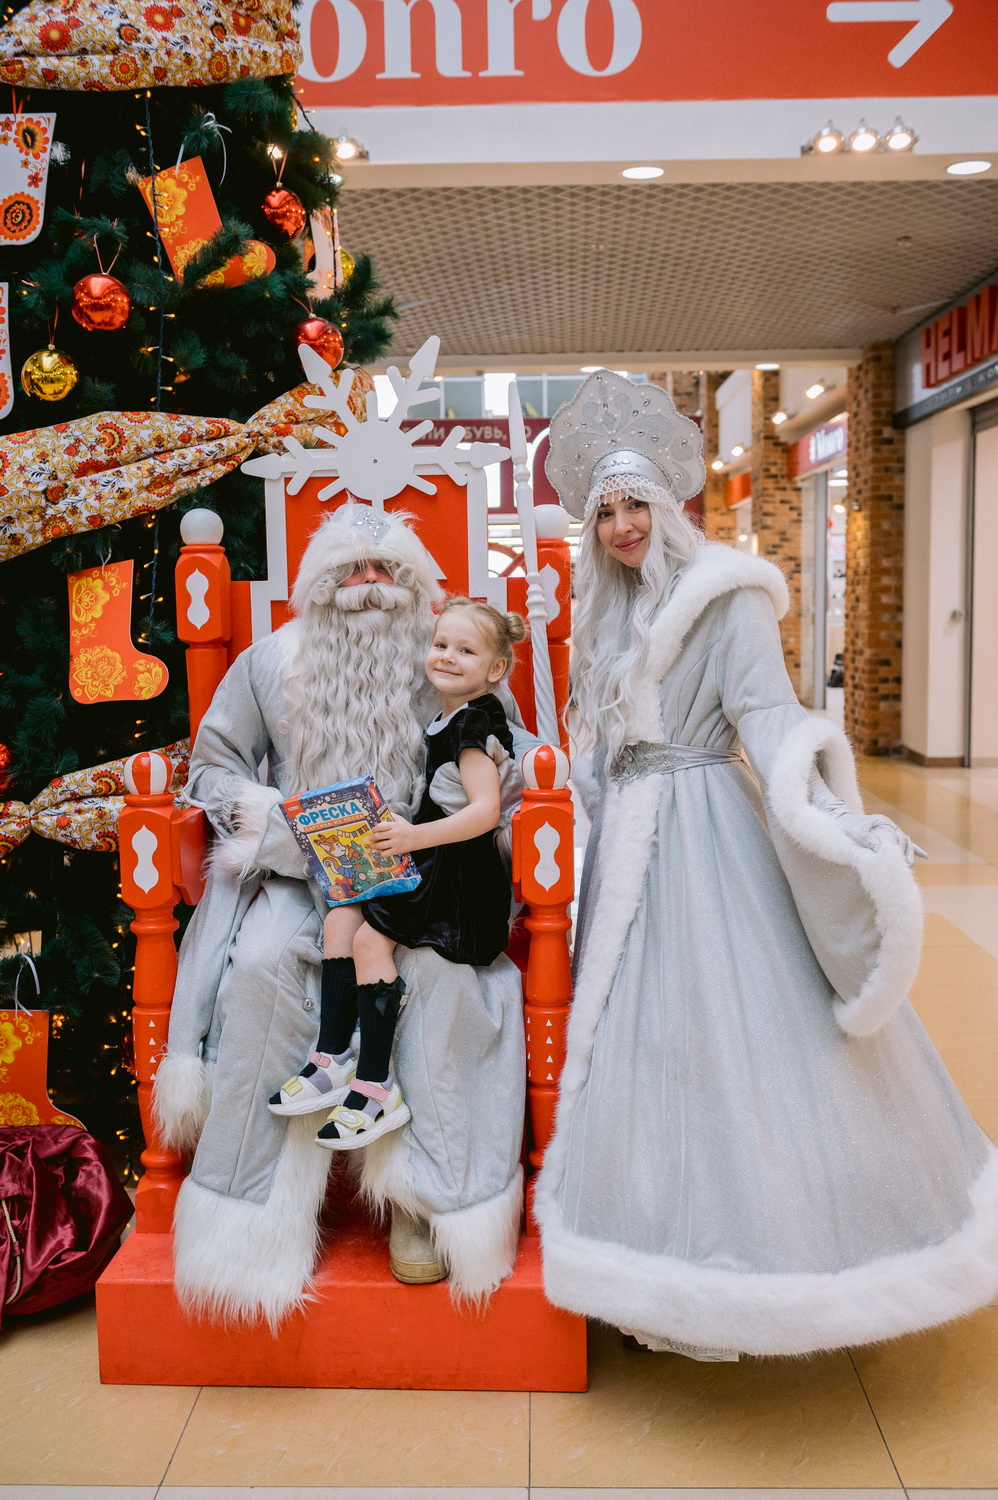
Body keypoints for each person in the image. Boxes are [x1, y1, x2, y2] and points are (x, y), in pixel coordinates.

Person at [535, 369, 998, 1359]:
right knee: (643, 1042)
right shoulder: (604, 608)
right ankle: (655, 1264)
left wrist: (837, 818)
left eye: (634, 505)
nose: (621, 526)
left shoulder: (727, 596)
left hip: (704, 829)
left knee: (728, 1029)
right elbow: (596, 742)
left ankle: (754, 1270)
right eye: (604, 511)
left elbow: (769, 719)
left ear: (669, 503)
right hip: (625, 843)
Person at [153, 506, 532, 1325]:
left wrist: (469, 805)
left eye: (387, 571)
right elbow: (212, 769)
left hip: (421, 875)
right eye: (350, 571)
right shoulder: (268, 662)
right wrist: (277, 824)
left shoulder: (446, 657)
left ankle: (424, 1201)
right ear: (320, 586)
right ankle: (251, 1216)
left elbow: (516, 757)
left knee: (438, 977)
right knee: (261, 966)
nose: (369, 586)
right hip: (301, 874)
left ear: (417, 587)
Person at [268, 597, 527, 1154]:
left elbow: (485, 812)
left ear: (495, 668)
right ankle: (333, 1055)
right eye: (441, 644)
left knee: (368, 940)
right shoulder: (448, 717)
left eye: (466, 650)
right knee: (340, 918)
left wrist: (412, 837)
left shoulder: (474, 724)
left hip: (461, 882)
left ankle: (375, 1085)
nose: (448, 656)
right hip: (434, 859)